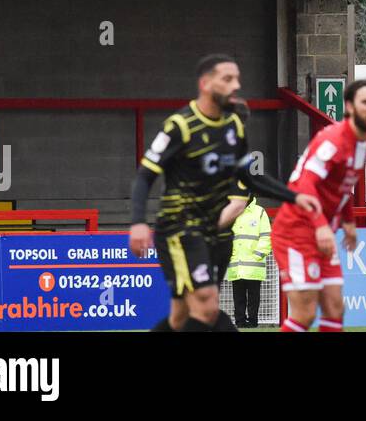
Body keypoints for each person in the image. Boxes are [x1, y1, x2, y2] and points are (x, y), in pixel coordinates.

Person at [129, 54, 321, 332]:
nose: (236, 85)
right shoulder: (180, 126)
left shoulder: (232, 128)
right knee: (206, 306)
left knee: (182, 315)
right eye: (228, 79)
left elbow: (249, 178)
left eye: (237, 79)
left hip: (213, 234)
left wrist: (294, 196)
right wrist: (137, 222)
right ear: (206, 83)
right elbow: (145, 176)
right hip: (181, 229)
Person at [272, 78, 366, 332]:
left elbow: (343, 187)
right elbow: (304, 185)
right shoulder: (333, 140)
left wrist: (349, 221)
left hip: (323, 234)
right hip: (296, 233)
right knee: (304, 314)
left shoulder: (364, 143)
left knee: (335, 309)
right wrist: (321, 225)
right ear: (349, 106)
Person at [227, 197, 273, 328]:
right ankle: (240, 323)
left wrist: (258, 255)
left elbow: (266, 235)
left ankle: (253, 322)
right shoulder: (232, 210)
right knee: (238, 296)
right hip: (237, 263)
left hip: (254, 264)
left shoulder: (259, 211)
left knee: (254, 296)